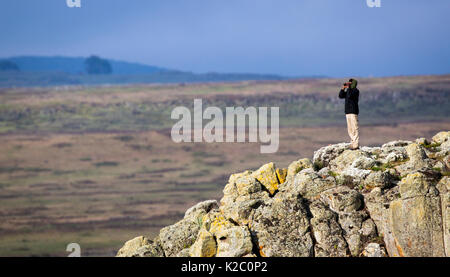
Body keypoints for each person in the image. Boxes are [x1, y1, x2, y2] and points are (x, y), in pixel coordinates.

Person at [339, 78, 360, 150]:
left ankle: (356, 144)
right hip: (348, 112)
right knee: (350, 128)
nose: (349, 84)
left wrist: (349, 88)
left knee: (354, 128)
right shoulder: (348, 91)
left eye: (350, 83)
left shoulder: (355, 91)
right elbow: (341, 96)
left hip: (353, 111)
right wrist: (342, 89)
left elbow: (351, 95)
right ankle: (352, 143)